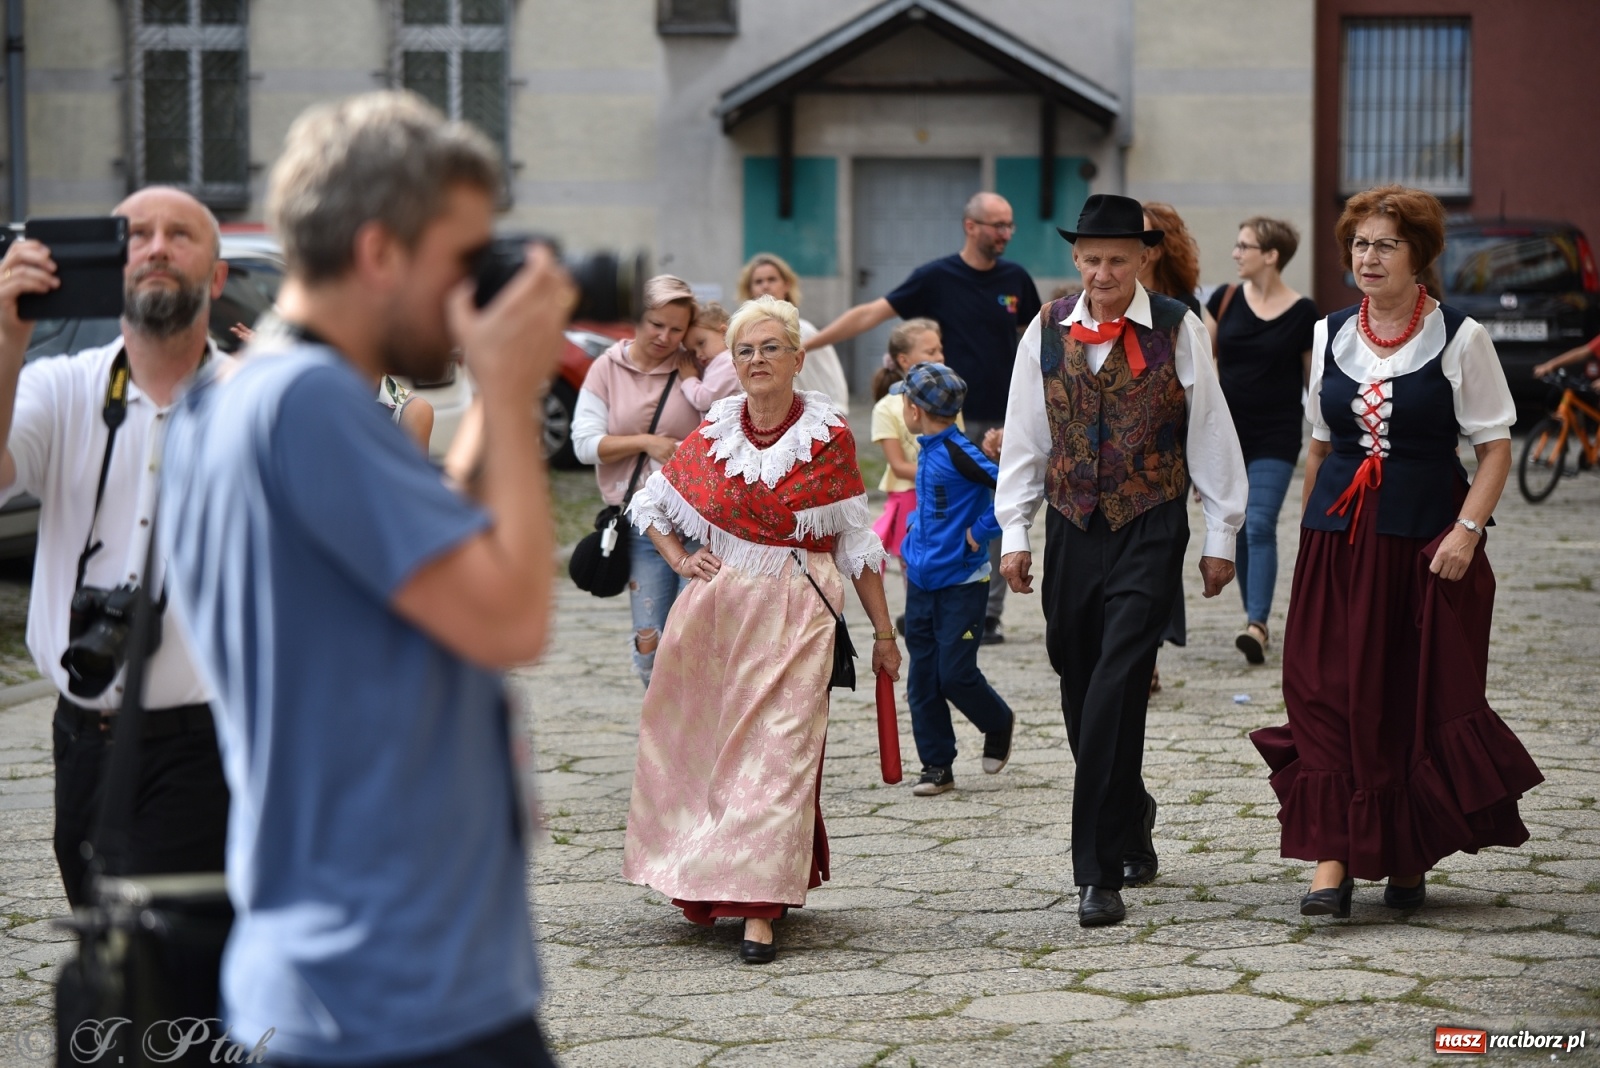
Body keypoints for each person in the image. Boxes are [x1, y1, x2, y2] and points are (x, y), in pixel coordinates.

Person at [159, 91, 573, 1066]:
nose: (479, 286)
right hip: (400, 996)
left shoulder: (233, 401)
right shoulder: (311, 405)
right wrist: (509, 392)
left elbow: (440, 554)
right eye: (463, 260)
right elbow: (511, 615)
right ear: (381, 252)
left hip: (333, 975)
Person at [1249, 185, 1544, 919]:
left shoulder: (1461, 337)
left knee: (1404, 696)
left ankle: (1407, 852)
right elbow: (1320, 444)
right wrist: (1309, 531)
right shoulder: (1329, 334)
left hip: (1424, 543)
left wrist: (1467, 533)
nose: (1368, 257)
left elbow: (1496, 449)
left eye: (1386, 244)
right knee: (1324, 692)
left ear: (1420, 257)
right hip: (1338, 542)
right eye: (1359, 244)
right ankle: (1333, 857)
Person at [622, 294, 901, 965]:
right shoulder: (717, 429)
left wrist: (885, 635)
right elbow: (650, 502)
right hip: (715, 614)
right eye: (745, 350)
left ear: (798, 359)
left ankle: (759, 909)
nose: (756, 361)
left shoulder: (827, 435)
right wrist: (679, 557)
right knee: (710, 756)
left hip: (798, 611)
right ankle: (705, 878)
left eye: (771, 348)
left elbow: (856, 545)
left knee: (778, 758)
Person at [994, 194, 1247, 928]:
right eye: (1091, 260)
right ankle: (1132, 811)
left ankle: (1096, 871)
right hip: (1073, 529)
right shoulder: (1045, 329)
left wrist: (1219, 537)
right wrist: (1015, 533)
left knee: (1115, 683)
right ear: (1076, 260)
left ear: (1144, 259)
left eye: (1117, 260)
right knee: (1079, 677)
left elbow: (1210, 432)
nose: (1103, 272)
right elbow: (1025, 437)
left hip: (1149, 526)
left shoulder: (1178, 327)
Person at [0, 186, 231, 908]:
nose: (157, 246)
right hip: (84, 745)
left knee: (171, 981)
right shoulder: (58, 387)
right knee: (110, 972)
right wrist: (6, 338)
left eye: (181, 234)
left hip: (209, 748)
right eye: (137, 234)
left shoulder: (257, 401)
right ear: (112, 263)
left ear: (217, 276)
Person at [808, 192, 1042, 644]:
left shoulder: (1016, 278)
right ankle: (940, 603)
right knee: (942, 518)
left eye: (1009, 225)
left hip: (1002, 417)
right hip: (946, 423)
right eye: (997, 224)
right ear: (970, 226)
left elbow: (1040, 343)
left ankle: (986, 615)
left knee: (996, 513)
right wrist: (811, 346)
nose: (1006, 234)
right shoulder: (937, 277)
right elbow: (869, 313)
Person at [570, 275, 704, 686]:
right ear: (637, 319)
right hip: (643, 526)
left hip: (700, 521)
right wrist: (647, 443)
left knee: (694, 639)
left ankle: (691, 744)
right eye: (655, 323)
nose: (665, 336)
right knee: (650, 640)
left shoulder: (692, 367)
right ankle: (662, 730)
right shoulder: (606, 368)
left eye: (676, 328)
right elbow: (584, 444)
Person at [894, 362, 1015, 797]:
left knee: (955, 675)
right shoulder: (928, 448)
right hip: (923, 582)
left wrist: (978, 533)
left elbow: (1012, 491)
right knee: (922, 677)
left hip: (964, 583)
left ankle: (998, 721)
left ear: (913, 410)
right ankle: (936, 766)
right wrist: (913, 533)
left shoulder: (960, 452)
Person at [1204, 217, 1318, 665]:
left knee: (1261, 523)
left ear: (1271, 256)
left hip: (1277, 434)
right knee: (1238, 526)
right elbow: (1198, 362)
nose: (1236, 253)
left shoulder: (1304, 312)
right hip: (1228, 437)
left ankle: (1257, 624)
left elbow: (1315, 382)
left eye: (1244, 246)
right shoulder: (1224, 299)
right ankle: (1254, 619)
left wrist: (1327, 437)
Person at [1136, 202, 1203, 693]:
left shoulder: (1183, 310)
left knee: (1156, 552)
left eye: (1138, 239)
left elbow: (1200, 394)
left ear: (1159, 247)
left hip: (1166, 452)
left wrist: (1200, 464)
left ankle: (1148, 651)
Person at [869, 318, 951, 569]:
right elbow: (898, 466)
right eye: (930, 352)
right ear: (904, 360)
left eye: (940, 349)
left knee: (945, 561)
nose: (940, 357)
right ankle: (915, 609)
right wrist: (946, 473)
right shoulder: (886, 408)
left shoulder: (949, 398)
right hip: (909, 496)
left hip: (946, 495)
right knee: (913, 565)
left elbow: (955, 449)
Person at [738, 252, 848, 407]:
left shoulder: (805, 331)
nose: (765, 286)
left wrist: (835, 412)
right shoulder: (743, 335)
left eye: (772, 279)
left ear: (786, 284)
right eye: (758, 281)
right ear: (750, 290)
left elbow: (831, 379)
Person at [678, 300, 740, 412]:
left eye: (701, 343)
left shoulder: (727, 363)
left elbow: (703, 400)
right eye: (693, 351)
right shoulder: (720, 361)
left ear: (724, 333)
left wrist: (689, 379)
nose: (698, 354)